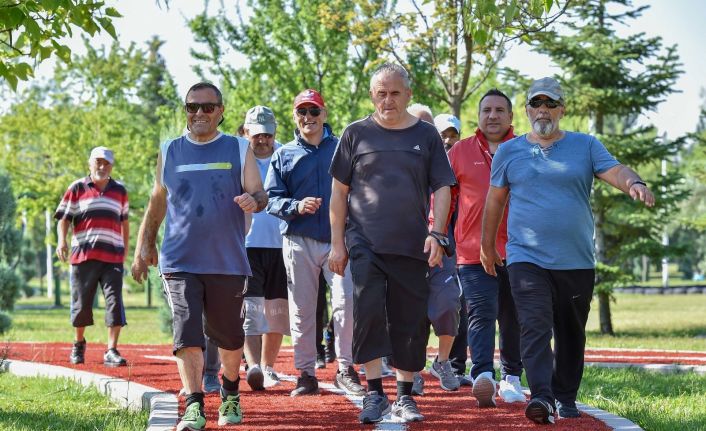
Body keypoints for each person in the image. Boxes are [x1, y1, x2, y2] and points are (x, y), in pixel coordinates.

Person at [481, 77, 655, 424]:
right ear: (527, 110)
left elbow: (616, 171)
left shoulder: (585, 146)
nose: (542, 110)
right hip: (525, 257)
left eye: (550, 104)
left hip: (575, 260)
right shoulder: (508, 151)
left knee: (571, 332)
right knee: (534, 324)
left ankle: (565, 396)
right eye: (536, 104)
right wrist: (486, 246)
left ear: (562, 109)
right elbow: (494, 201)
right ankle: (543, 397)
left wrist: (635, 182)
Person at [131, 82, 268, 430]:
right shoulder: (170, 150)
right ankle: (194, 404)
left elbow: (258, 192)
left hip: (227, 261)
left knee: (229, 337)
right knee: (187, 333)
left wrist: (254, 200)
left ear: (221, 111)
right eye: (192, 107)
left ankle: (231, 393)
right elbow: (157, 201)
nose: (199, 114)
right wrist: (143, 245)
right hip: (179, 260)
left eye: (207, 107)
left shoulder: (239, 148)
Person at [329, 63, 456, 424]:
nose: (388, 99)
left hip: (413, 243)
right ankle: (373, 393)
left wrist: (437, 233)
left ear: (408, 95)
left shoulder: (428, 136)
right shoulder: (355, 134)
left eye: (395, 93)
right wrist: (338, 244)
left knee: (410, 319)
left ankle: (404, 395)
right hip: (364, 241)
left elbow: (443, 187)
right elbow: (339, 194)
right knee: (368, 310)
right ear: (372, 95)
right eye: (381, 93)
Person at [265, 89, 364, 397]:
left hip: (338, 243)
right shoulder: (283, 154)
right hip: (298, 240)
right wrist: (295, 206)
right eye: (302, 112)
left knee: (345, 304)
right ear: (295, 117)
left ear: (325, 114)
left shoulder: (342, 148)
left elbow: (359, 192)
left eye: (314, 111)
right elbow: (271, 199)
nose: (308, 117)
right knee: (302, 310)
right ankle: (306, 373)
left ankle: (346, 369)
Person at [448, 89, 526, 408]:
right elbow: (444, 197)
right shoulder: (459, 151)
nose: (492, 115)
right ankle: (483, 375)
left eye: (499, 110)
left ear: (510, 116)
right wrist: (435, 232)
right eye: (486, 110)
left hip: (521, 251)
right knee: (481, 312)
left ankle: (511, 379)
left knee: (513, 316)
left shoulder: (526, 149)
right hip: (472, 251)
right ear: (478, 116)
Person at [406, 107, 465, 395]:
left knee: (446, 303)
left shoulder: (452, 166)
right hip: (407, 248)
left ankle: (442, 362)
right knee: (412, 312)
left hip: (443, 246)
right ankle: (413, 370)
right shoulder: (401, 159)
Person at [55, 146, 129, 368]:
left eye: (106, 163)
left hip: (112, 257)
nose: (102, 166)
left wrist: (125, 249)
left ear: (111, 166)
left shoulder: (120, 191)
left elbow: (124, 222)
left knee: (115, 303)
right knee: (82, 303)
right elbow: (64, 218)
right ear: (90, 163)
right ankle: (78, 344)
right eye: (98, 162)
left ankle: (111, 350)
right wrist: (62, 241)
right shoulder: (77, 188)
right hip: (83, 256)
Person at [241, 105, 290, 390]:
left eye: (267, 135)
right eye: (256, 134)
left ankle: (268, 367)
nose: (262, 140)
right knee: (251, 308)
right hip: (247, 245)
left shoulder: (285, 155)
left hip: (281, 245)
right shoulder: (237, 157)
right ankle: (253, 365)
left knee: (276, 311)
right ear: (246, 132)